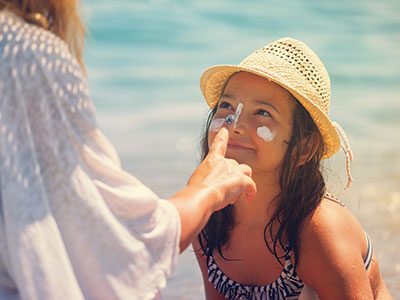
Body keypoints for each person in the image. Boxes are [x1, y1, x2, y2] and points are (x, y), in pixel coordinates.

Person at [0, 1, 257, 299]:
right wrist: (206, 191)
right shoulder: (23, 53)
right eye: (225, 107)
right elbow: (113, 245)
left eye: (263, 113)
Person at [193, 37, 393, 299]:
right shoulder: (207, 215)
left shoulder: (319, 230)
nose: (235, 124)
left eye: (263, 112)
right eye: (227, 106)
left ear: (305, 148)